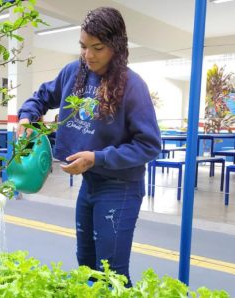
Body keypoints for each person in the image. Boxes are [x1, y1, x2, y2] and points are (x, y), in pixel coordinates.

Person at [15, 7, 161, 287]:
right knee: (86, 266)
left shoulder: (132, 86)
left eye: (98, 47)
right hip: (90, 185)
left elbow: (150, 145)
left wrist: (98, 158)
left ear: (116, 47)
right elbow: (42, 96)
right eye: (83, 47)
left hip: (120, 187)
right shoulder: (75, 72)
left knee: (112, 275)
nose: (89, 55)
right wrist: (26, 115)